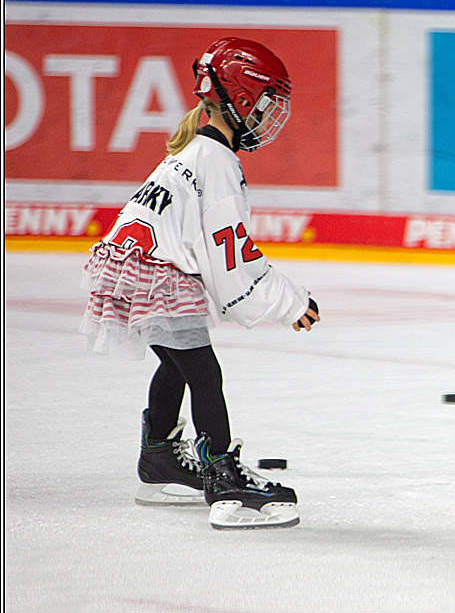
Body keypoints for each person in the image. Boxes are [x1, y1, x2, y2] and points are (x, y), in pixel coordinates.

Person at [80, 37, 320, 530]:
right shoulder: (217, 162)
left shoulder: (195, 150)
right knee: (203, 372)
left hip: (130, 264)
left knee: (176, 361)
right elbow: (232, 260)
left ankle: (160, 459)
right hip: (157, 272)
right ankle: (224, 479)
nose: (269, 117)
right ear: (244, 99)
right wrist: (292, 303)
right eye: (267, 103)